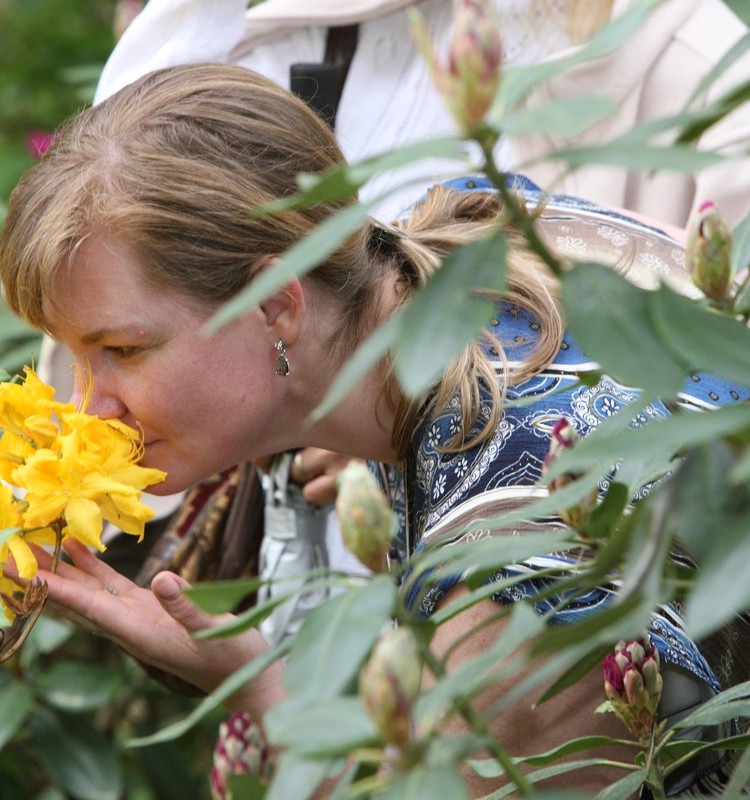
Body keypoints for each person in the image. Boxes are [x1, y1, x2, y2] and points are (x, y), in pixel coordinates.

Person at [0, 64, 746, 797]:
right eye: (76, 356)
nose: (91, 406)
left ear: (275, 307)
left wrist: (263, 693)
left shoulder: (508, 591)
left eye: (124, 350)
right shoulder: (482, 230)